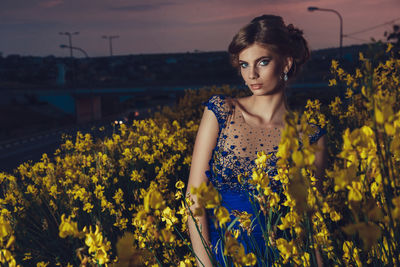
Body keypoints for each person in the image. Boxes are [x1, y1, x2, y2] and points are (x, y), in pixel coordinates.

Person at [186, 14, 327, 266]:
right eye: (243, 64)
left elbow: (308, 223)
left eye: (262, 62)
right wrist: (204, 263)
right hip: (222, 258)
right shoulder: (221, 112)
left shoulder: (310, 136)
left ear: (285, 63)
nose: (251, 74)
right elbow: (194, 199)